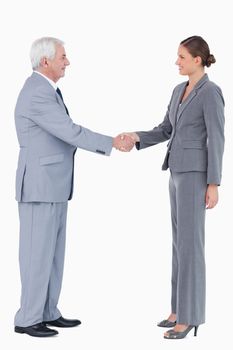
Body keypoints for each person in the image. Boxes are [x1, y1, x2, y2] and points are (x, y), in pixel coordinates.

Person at [14, 36, 133, 337]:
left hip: (54, 185)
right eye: (63, 57)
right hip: (40, 187)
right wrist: (110, 143)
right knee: (36, 256)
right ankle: (27, 318)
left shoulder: (48, 90)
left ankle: (48, 312)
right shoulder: (37, 92)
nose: (67, 62)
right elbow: (69, 131)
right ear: (45, 61)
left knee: (53, 255)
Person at [122, 36, 225, 339]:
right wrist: (136, 137)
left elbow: (217, 138)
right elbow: (166, 129)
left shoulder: (211, 92)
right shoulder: (178, 90)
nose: (176, 62)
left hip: (196, 175)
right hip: (176, 172)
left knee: (192, 246)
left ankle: (191, 317)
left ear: (197, 60)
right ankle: (178, 309)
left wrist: (214, 183)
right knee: (180, 244)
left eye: (181, 57)